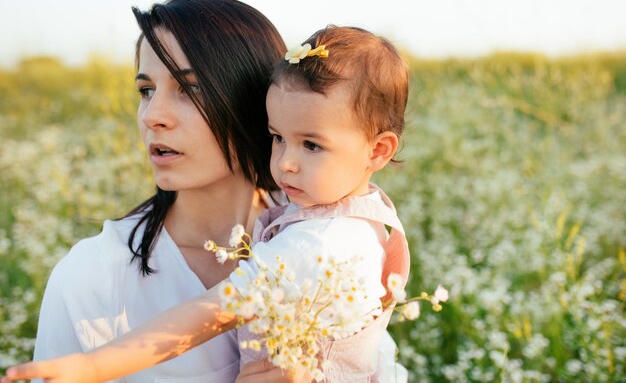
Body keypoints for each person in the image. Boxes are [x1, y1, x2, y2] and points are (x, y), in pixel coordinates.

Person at [2, 25, 410, 382]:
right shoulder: (90, 278)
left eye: (190, 88)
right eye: (145, 90)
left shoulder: (325, 239)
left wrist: (93, 368)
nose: (152, 117)